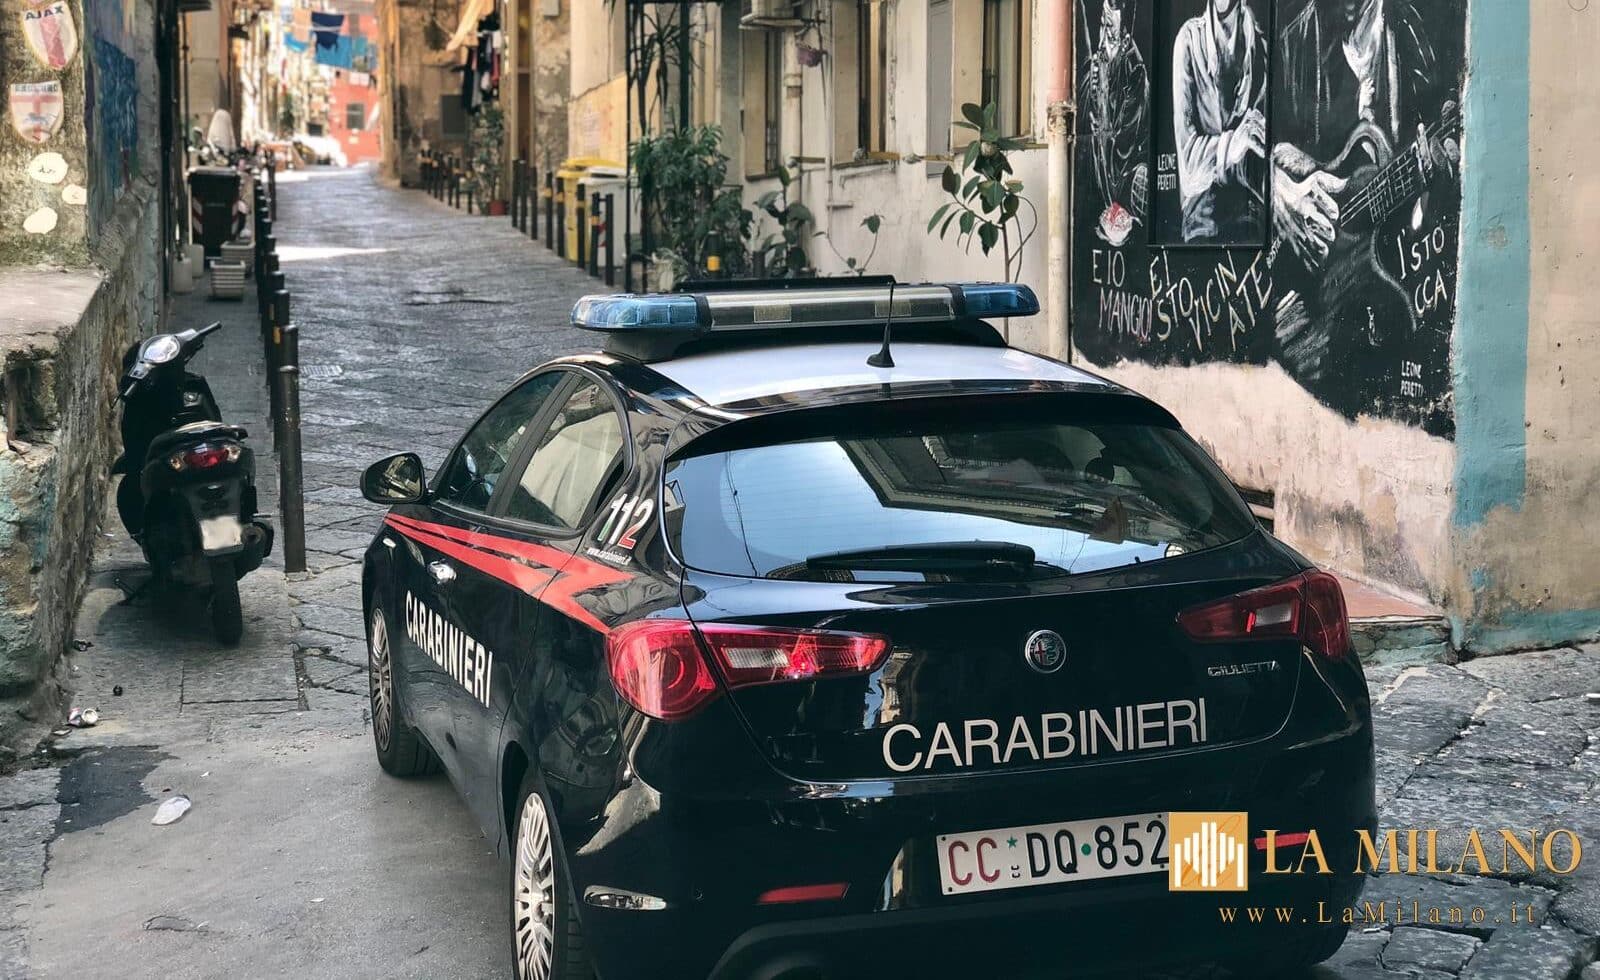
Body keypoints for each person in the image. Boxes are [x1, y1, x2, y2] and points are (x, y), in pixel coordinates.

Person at [1171, 0, 1268, 243]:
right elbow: (1189, 165)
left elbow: (1264, 150)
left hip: (1252, 219)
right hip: (1203, 221)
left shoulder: (1260, 47)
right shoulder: (1189, 40)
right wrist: (1234, 143)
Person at [1083, 0, 1149, 246]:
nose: (1104, 35)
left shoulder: (1134, 70)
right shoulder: (1107, 60)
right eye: (1103, 24)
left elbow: (1125, 137)